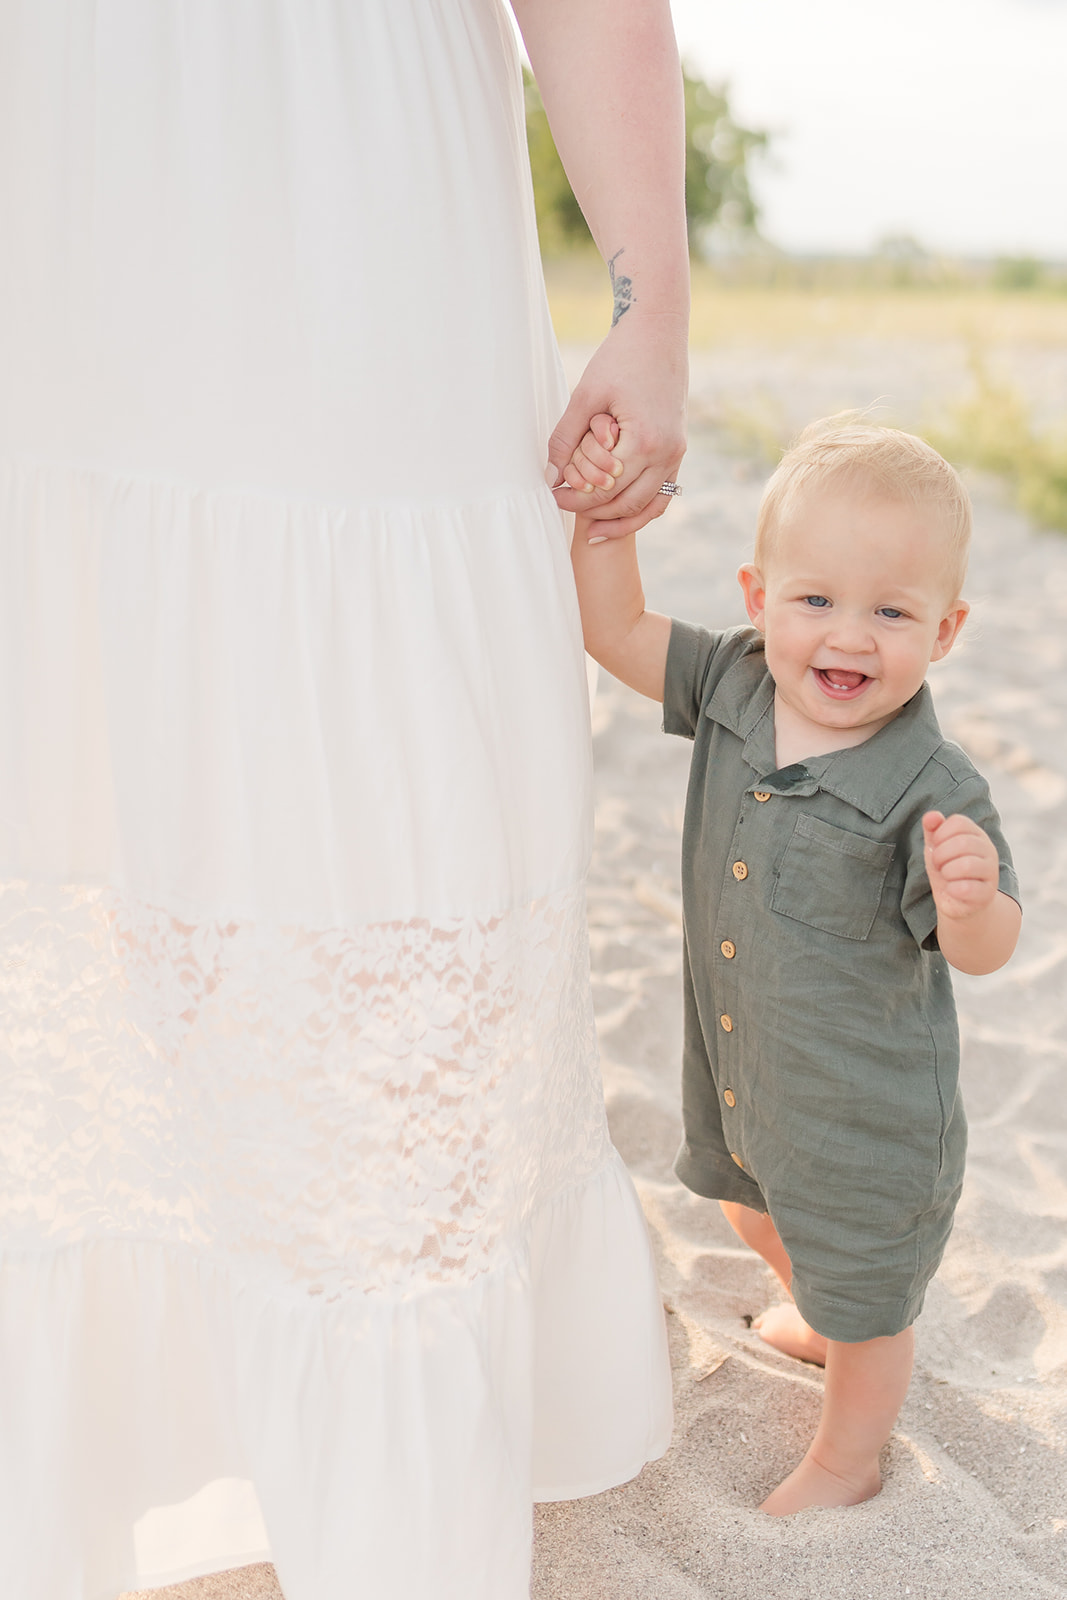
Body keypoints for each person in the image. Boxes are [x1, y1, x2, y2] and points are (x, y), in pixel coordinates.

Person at [0, 3, 689, 1597]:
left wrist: (646, 299)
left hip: (359, 219)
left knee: (378, 816)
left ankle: (381, 1484)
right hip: (62, 206)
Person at [570, 417, 1021, 1514]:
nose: (848, 638)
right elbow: (614, 627)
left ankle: (849, 1454)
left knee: (868, 1294)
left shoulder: (932, 786)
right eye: (813, 600)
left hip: (864, 1115)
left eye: (890, 612)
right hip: (743, 1071)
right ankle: (811, 1309)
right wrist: (602, 524)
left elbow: (985, 949)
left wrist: (970, 898)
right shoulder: (732, 683)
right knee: (746, 1205)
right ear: (756, 592)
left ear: (944, 629)